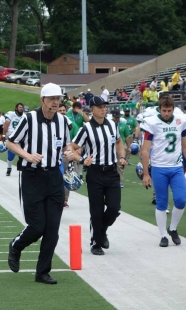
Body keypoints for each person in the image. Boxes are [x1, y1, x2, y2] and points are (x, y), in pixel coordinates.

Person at [6, 83, 75, 284]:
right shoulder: (28, 119)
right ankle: (16, 246)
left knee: (52, 229)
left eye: (58, 99)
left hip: (54, 177)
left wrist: (68, 152)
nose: (56, 102)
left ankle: (42, 272)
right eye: (52, 98)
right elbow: (10, 141)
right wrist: (27, 155)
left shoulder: (63, 121)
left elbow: (67, 144)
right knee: (37, 226)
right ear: (42, 100)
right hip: (32, 176)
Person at [71, 96, 127, 256]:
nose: (104, 109)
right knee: (96, 211)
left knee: (114, 208)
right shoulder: (86, 128)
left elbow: (119, 142)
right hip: (95, 172)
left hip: (111, 171)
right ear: (92, 109)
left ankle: (101, 232)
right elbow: (72, 148)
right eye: (100, 107)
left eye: (105, 106)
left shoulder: (112, 125)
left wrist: (121, 156)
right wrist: (82, 159)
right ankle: (96, 243)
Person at [140, 95, 186, 247]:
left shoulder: (180, 120)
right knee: (161, 203)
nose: (167, 113)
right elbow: (145, 150)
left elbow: (185, 146)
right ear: (159, 108)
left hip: (176, 167)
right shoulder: (152, 122)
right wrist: (145, 173)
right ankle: (163, 235)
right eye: (164, 110)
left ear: (173, 109)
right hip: (159, 168)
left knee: (181, 200)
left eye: (169, 110)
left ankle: (173, 228)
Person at [2, 103, 24, 176]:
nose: (21, 108)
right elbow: (6, 125)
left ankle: (22, 168)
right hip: (12, 136)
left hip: (21, 137)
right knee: (11, 155)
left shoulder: (24, 116)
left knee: (23, 154)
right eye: (20, 107)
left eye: (22, 107)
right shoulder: (11, 114)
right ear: (16, 108)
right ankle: (9, 167)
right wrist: (3, 135)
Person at [111, 109, 131, 188]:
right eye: (116, 117)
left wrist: (129, 146)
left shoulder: (123, 125)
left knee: (121, 164)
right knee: (112, 164)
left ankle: (119, 181)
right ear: (113, 117)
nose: (117, 119)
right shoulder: (109, 124)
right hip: (111, 146)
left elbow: (127, 136)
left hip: (121, 146)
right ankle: (113, 179)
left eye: (118, 117)